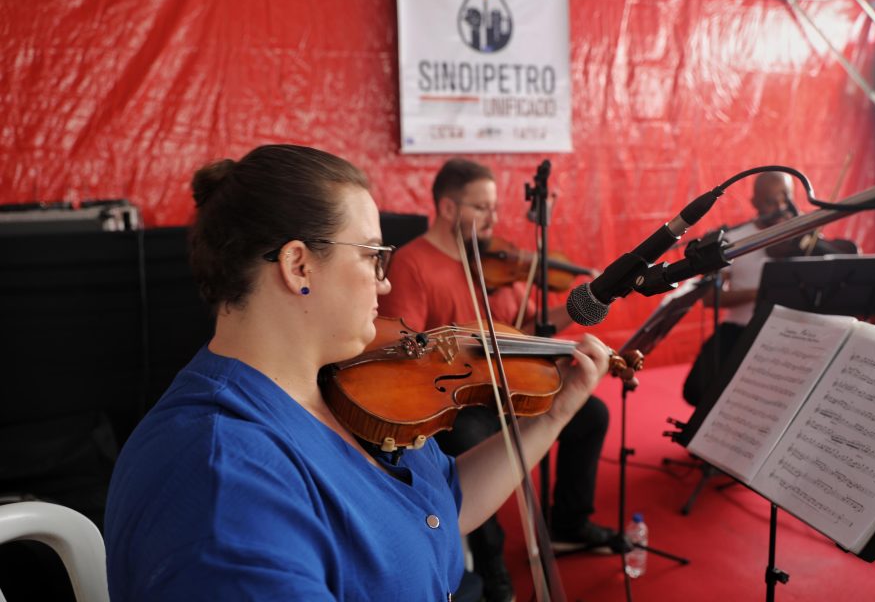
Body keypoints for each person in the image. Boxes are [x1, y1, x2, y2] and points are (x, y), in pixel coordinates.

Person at [103, 145, 613, 601]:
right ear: (298, 265)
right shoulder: (224, 486)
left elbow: (445, 501)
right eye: (372, 256)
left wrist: (553, 415)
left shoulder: (341, 386)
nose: (385, 284)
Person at [378, 158, 622, 602]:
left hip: (514, 382)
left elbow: (525, 328)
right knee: (471, 439)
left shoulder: (492, 264)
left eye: (495, 208)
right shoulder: (413, 264)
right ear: (448, 208)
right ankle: (492, 573)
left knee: (591, 415)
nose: (494, 219)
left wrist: (582, 304)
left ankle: (569, 521)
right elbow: (404, 346)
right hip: (458, 396)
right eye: (482, 208)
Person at [682, 171, 795, 405]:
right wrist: (761, 292)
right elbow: (711, 297)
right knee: (696, 388)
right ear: (755, 203)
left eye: (786, 199)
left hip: (789, 332)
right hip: (741, 328)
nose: (780, 207)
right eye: (770, 201)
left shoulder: (801, 233)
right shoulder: (734, 240)